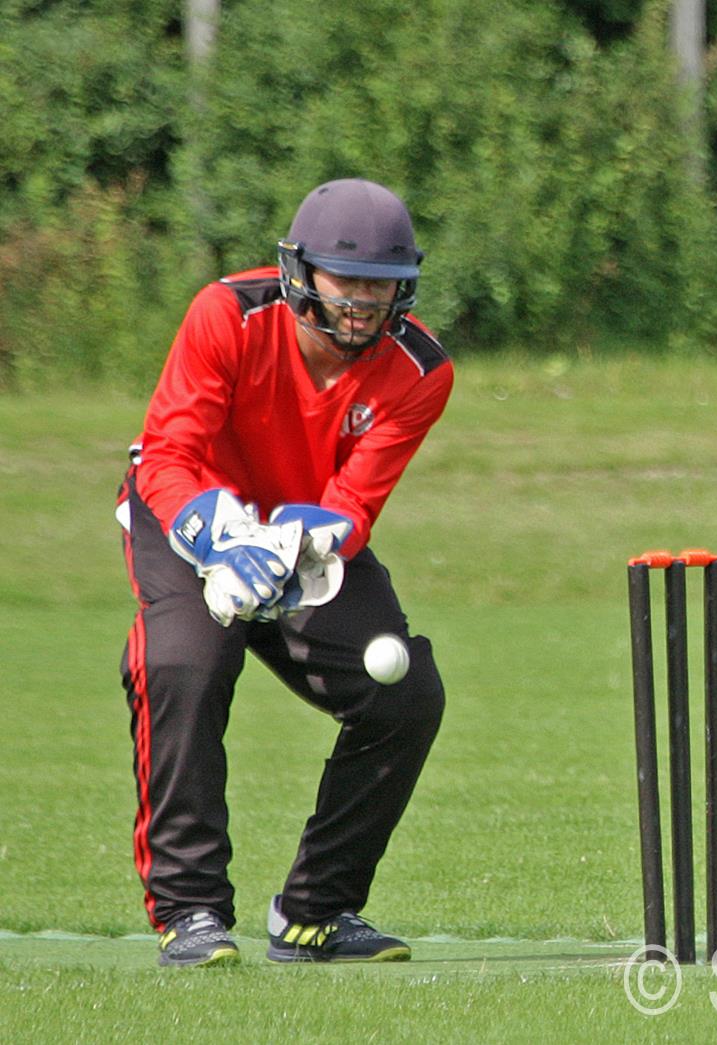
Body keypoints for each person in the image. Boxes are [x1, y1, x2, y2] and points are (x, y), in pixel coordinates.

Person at [116, 178, 453, 966]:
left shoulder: (421, 369)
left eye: (381, 283)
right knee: (186, 661)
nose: (362, 300)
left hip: (301, 534)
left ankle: (314, 912)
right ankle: (190, 911)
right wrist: (218, 539)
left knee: (406, 695)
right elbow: (168, 454)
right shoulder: (226, 315)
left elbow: (355, 500)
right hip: (188, 509)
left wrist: (303, 540)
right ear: (301, 271)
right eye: (345, 279)